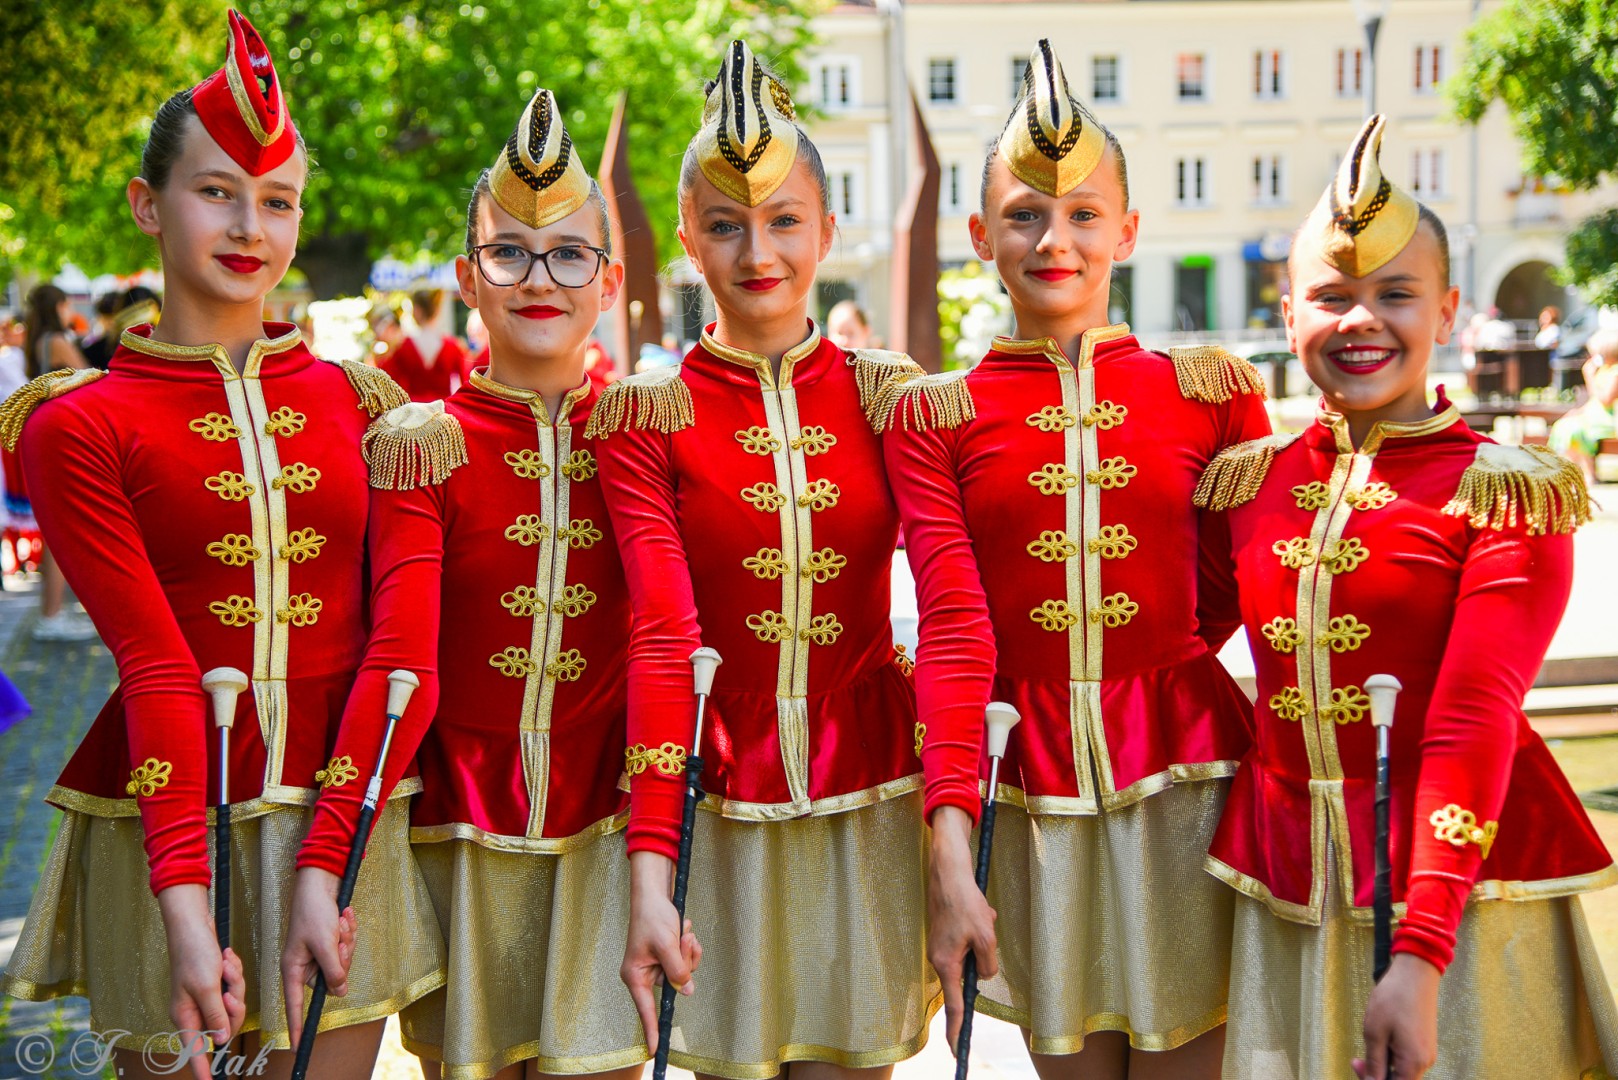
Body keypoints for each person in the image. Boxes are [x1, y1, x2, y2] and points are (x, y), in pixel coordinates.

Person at [0, 13, 442, 1077]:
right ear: (147, 207)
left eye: (277, 200)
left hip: (347, 810)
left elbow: (402, 648)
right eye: (216, 192)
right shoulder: (79, 425)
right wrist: (186, 914)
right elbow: (154, 664)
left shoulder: (364, 404)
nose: (251, 224)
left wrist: (326, 861)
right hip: (168, 829)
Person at [1195, 115, 1617, 1080]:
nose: (1361, 319)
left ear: (1449, 309)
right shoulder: (1246, 482)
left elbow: (1475, 719)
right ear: (1287, 308)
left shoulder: (1506, 488)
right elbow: (1171, 646)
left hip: (1459, 905)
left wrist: (1422, 953)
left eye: (1396, 294)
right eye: (1331, 295)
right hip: (1287, 894)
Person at [878, 40, 1268, 1080]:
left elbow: (1242, 592)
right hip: (1032, 797)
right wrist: (948, 833)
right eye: (1024, 216)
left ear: (1128, 231)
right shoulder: (934, 416)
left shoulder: (1211, 392)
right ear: (979, 236)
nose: (1055, 239)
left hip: (1194, 785)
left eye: (1084, 214)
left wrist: (1159, 662)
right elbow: (954, 630)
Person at [285, 86, 646, 1080]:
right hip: (458, 836)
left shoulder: (644, 441)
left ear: (607, 282)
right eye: (510, 254)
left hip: (612, 838)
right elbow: (398, 659)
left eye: (570, 254)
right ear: (467, 277)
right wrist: (328, 850)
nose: (541, 279)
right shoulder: (422, 446)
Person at [595, 39, 933, 1080]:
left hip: (869, 791)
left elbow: (965, 612)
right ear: (690, 238)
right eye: (728, 226)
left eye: (784, 222)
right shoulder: (647, 417)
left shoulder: (891, 396)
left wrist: (958, 823)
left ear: (828, 229)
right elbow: (659, 635)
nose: (759, 254)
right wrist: (654, 861)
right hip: (716, 799)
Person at [18, 284, 95, 641]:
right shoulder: (56, 339)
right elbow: (91, 378)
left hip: (45, 433)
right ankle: (51, 615)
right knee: (59, 531)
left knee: (53, 529)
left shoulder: (37, 339)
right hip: (63, 438)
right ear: (59, 306)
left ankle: (51, 613)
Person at [1549, 328, 1618, 485]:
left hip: (1609, 420)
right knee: (1563, 425)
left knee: (1576, 429)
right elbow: (1594, 402)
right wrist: (1578, 411)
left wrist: (1589, 377)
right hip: (1595, 415)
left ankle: (1589, 474)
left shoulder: (1615, 372)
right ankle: (1573, 471)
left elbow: (1606, 399)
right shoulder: (1604, 370)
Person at [378, 288, 470, 402]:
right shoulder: (453, 345)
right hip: (443, 412)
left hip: (413, 413)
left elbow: (384, 377)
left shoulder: (403, 345)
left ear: (416, 310)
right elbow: (466, 382)